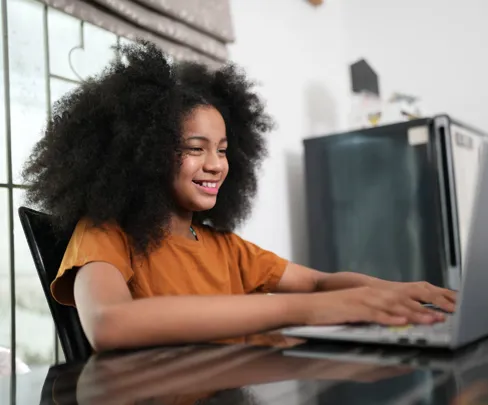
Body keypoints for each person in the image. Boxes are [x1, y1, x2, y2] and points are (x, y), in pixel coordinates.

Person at [22, 40, 456, 353]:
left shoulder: (224, 247)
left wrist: (400, 292)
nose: (216, 165)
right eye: (195, 149)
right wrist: (296, 311)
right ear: (145, 153)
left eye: (224, 150)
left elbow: (318, 282)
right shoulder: (105, 233)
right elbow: (107, 324)